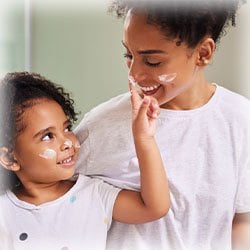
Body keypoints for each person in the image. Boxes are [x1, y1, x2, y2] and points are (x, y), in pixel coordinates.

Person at [74, 0, 250, 249]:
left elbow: (241, 218)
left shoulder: (240, 119)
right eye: (129, 55)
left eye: (152, 62)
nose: (134, 74)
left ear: (203, 53)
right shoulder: (101, 126)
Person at [0, 72, 170, 250]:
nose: (67, 143)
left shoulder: (93, 194)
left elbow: (154, 207)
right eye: (48, 136)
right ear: (10, 158)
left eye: (66, 128)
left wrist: (144, 138)